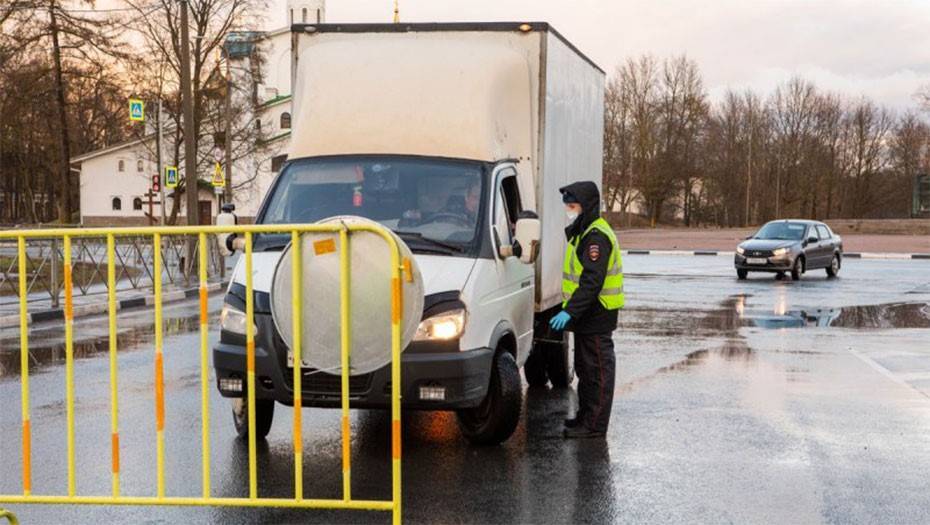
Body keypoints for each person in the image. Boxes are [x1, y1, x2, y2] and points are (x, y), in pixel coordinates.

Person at [549, 181, 624, 439]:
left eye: (572, 206)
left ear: (587, 206)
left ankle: (594, 427)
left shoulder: (596, 237)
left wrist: (569, 311)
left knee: (598, 372)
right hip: (586, 315)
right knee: (585, 369)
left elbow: (592, 281)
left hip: (598, 314)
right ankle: (585, 417)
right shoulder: (583, 231)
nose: (569, 211)